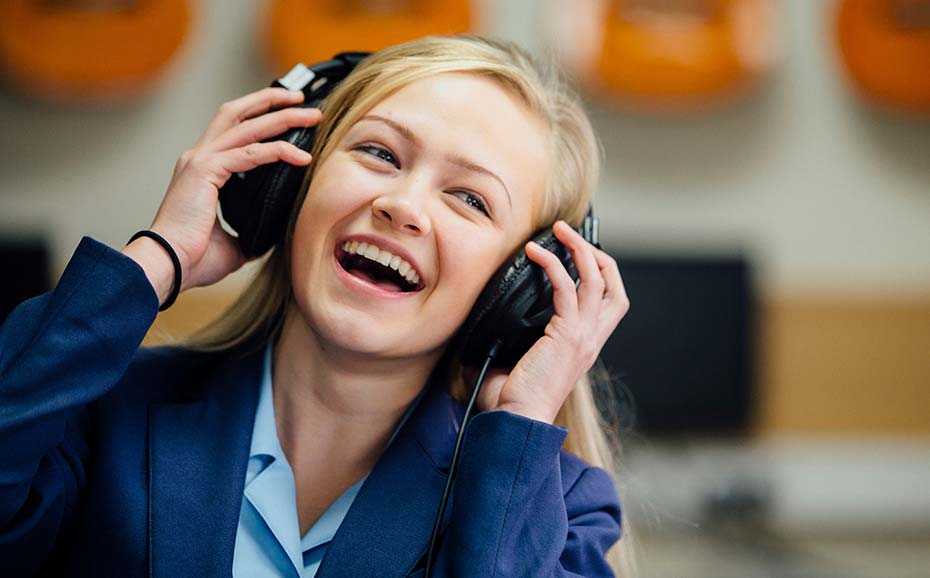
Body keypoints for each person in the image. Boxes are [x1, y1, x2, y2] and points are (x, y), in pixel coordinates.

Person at [0, 34, 632, 577]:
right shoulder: (101, 410)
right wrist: (157, 257)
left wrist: (518, 423)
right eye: (379, 153)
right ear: (287, 183)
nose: (403, 207)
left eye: (470, 199)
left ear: (521, 289)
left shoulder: (561, 512)